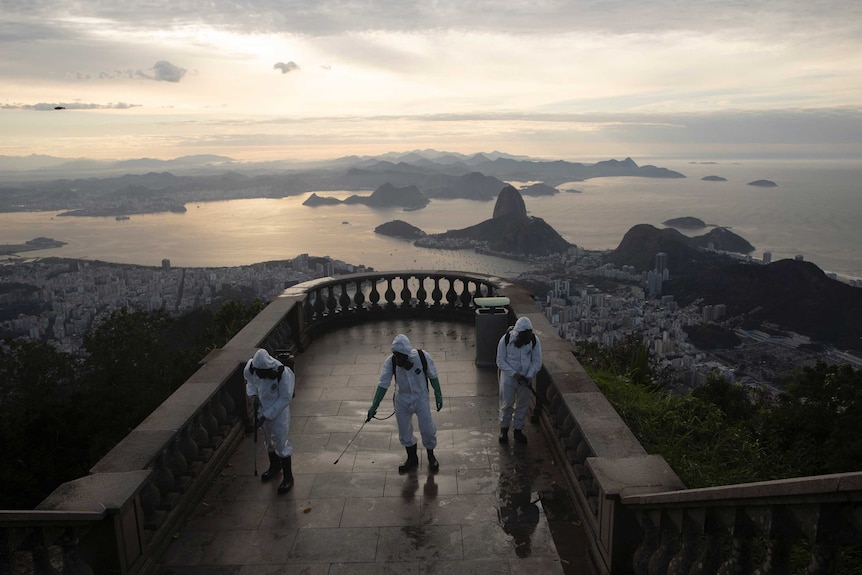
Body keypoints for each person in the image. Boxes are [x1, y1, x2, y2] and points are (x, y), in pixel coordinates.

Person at [366, 334, 443, 473]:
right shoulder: (391, 362)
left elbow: (433, 376)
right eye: (396, 355)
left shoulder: (422, 357)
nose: (398, 359)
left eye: (401, 356)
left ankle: (431, 456)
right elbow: (383, 384)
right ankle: (412, 458)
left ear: (407, 354)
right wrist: (374, 406)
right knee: (404, 431)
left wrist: (438, 394)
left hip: (421, 398)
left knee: (427, 429)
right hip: (402, 400)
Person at [245, 348, 296, 494]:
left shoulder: (282, 373)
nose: (259, 375)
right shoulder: (251, 367)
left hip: (278, 412)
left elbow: (285, 398)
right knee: (268, 440)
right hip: (262, 409)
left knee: (280, 441)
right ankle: (275, 466)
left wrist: (267, 415)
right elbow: (250, 382)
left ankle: (288, 477)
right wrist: (253, 395)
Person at [496, 316, 542, 444]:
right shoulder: (505, 340)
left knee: (523, 405)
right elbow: (500, 360)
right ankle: (504, 430)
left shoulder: (533, 341)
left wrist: (529, 375)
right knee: (507, 404)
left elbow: (537, 361)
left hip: (526, 379)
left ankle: (518, 430)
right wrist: (514, 374)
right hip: (509, 378)